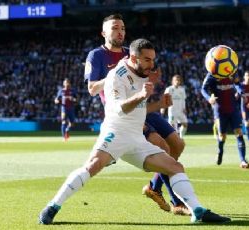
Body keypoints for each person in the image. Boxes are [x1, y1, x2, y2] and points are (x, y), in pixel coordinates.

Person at [39, 38, 231, 225]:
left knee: (175, 167)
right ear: (133, 58)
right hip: (116, 132)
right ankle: (53, 206)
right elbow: (119, 108)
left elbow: (141, 110)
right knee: (92, 166)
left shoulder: (143, 73)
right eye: (147, 60)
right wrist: (141, 95)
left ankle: (197, 211)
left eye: (153, 59)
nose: (152, 64)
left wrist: (158, 103)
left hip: (137, 138)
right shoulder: (116, 76)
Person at [84, 14, 189, 216]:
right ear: (104, 32)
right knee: (161, 145)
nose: (120, 31)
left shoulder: (130, 52)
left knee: (178, 144)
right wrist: (117, 74)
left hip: (144, 106)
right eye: (115, 28)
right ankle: (177, 202)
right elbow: (92, 89)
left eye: (122, 28)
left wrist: (153, 79)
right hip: (126, 111)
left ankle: (154, 187)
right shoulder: (96, 55)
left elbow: (144, 76)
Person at [201, 73, 249, 169]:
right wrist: (208, 98)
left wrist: (241, 92)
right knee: (222, 136)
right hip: (220, 111)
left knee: (239, 133)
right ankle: (220, 151)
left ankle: (243, 160)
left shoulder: (231, 70)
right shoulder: (211, 75)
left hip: (233, 109)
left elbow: (237, 83)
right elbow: (203, 89)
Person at [162, 74, 188, 139]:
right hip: (172, 111)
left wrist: (184, 108)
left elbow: (183, 100)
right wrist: (163, 109)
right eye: (176, 80)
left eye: (179, 80)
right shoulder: (169, 89)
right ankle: (175, 139)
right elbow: (164, 99)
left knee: (185, 124)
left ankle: (181, 137)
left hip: (180, 111)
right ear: (172, 81)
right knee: (173, 127)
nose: (177, 82)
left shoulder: (182, 89)